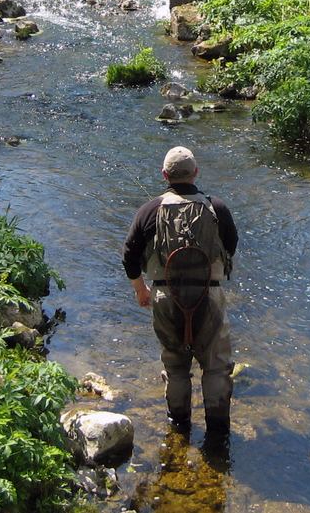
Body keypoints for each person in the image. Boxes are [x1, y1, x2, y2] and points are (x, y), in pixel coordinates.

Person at [122, 146, 238, 442]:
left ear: (165, 175)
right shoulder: (218, 208)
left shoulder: (150, 210)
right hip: (209, 296)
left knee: (175, 366)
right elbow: (231, 245)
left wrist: (140, 289)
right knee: (215, 366)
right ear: (196, 172)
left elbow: (130, 255)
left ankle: (179, 427)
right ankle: (218, 433)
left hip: (165, 296)